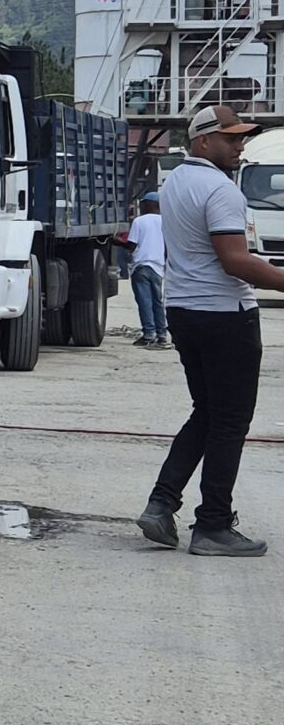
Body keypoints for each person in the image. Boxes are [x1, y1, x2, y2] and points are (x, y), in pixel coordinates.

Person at [139, 101, 284, 556]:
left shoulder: (175, 182)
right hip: (225, 315)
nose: (240, 146)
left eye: (243, 137)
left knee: (206, 412)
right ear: (203, 141)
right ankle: (213, 526)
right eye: (231, 138)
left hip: (184, 310)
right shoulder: (221, 189)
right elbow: (235, 261)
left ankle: (161, 504)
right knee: (230, 422)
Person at [122, 192, 168, 346]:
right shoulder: (165, 222)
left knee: (144, 302)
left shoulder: (139, 221)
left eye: (142, 204)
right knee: (157, 302)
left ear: (148, 204)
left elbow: (132, 245)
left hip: (141, 266)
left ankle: (148, 334)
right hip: (158, 268)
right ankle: (162, 335)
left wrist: (117, 242)